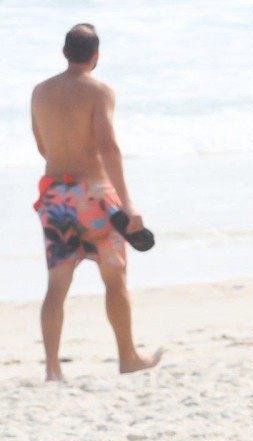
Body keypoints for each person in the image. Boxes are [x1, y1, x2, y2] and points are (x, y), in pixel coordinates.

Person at [30, 23, 161, 381]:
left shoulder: (40, 92)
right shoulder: (99, 91)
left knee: (57, 284)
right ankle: (128, 357)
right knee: (114, 280)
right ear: (96, 56)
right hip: (95, 196)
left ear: (64, 52)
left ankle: (53, 370)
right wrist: (128, 205)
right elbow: (108, 147)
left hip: (55, 195)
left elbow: (43, 147)